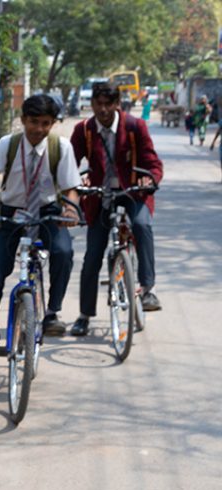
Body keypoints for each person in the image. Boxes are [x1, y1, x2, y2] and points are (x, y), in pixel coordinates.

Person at [0, 94, 81, 359]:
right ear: (23, 120)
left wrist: (71, 209)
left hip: (47, 213)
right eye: (34, 122)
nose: (39, 129)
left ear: (53, 123)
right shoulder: (9, 144)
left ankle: (52, 312)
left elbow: (71, 189)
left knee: (63, 252)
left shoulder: (60, 147)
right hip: (11, 215)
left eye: (46, 123)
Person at [69, 82, 164, 337]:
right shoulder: (84, 130)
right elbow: (69, 165)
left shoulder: (135, 127)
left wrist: (149, 179)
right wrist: (78, 182)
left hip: (133, 193)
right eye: (98, 104)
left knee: (142, 226)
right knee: (92, 257)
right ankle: (84, 315)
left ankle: (147, 289)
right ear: (92, 104)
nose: (102, 109)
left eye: (107, 104)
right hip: (100, 196)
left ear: (116, 104)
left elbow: (153, 163)